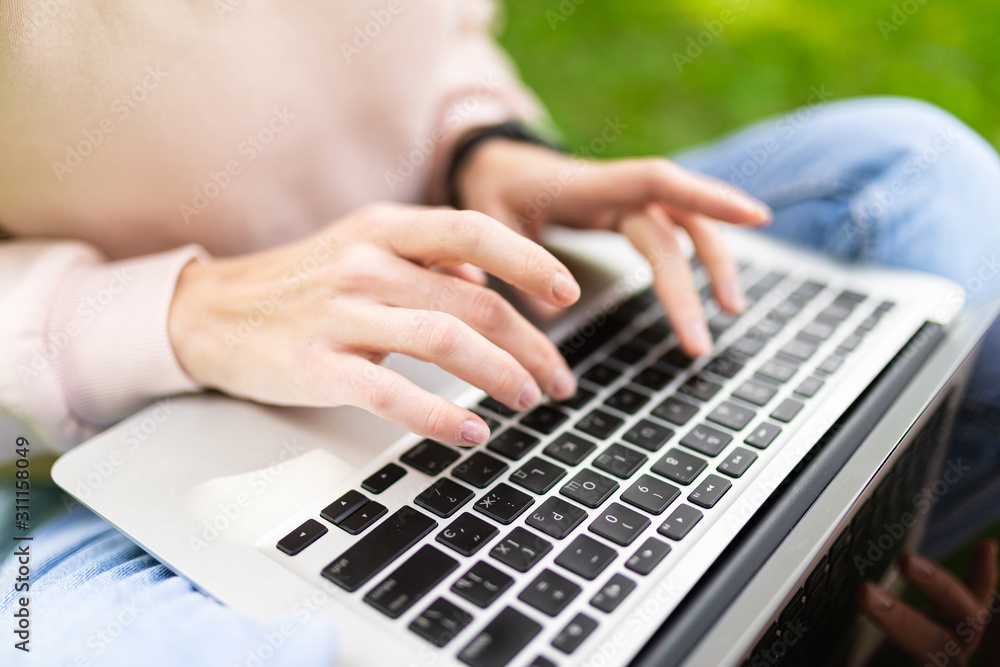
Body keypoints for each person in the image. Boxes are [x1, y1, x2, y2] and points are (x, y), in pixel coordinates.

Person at [1, 1, 998, 664]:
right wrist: (179, 312)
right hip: (137, 429)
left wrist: (484, 144)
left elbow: (443, 36)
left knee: (922, 180)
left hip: (483, 299)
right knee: (57, 642)